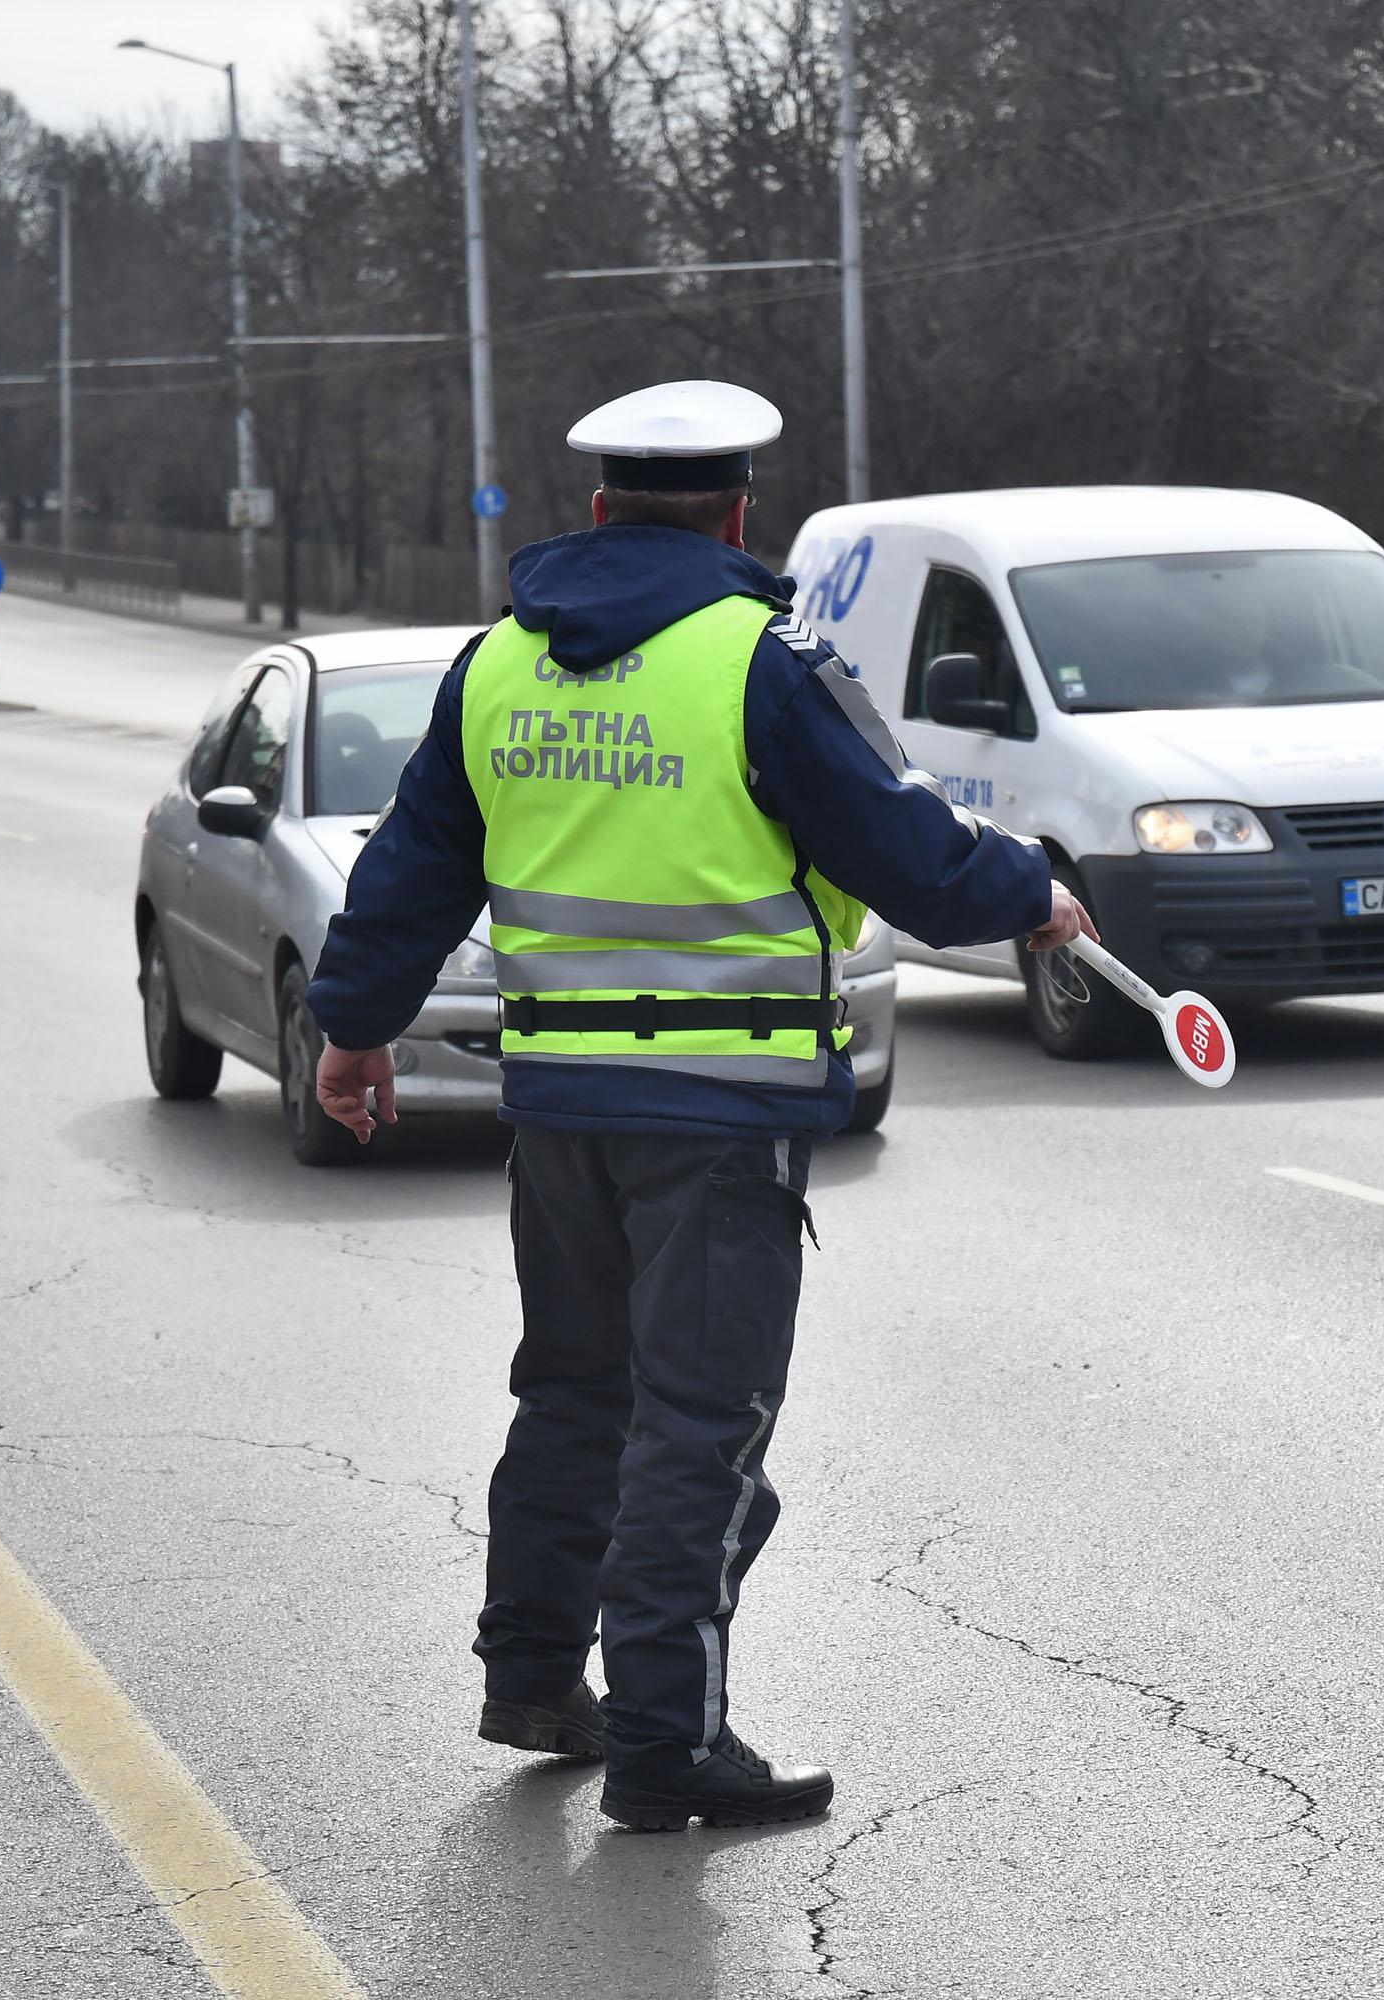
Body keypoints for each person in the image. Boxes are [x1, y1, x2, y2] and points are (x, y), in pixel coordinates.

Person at [303, 380, 1089, 1831]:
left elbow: (410, 873)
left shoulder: (496, 667)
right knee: (698, 1425)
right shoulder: (760, 663)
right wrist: (1031, 892)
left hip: (557, 1111)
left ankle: (536, 1677)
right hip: (718, 1116)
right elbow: (905, 847)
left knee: (574, 1391)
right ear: (739, 517)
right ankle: (669, 1740)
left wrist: (349, 1033)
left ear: (597, 513)